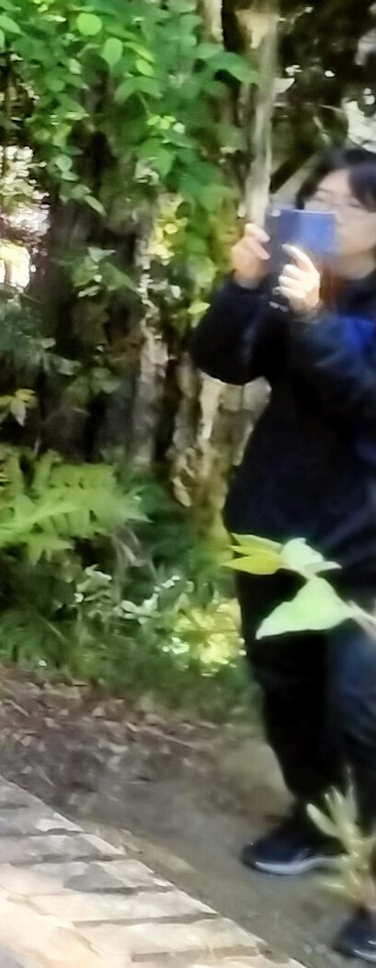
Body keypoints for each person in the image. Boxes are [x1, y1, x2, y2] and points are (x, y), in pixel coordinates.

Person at [195, 146, 376, 958]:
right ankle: (315, 817)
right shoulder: (298, 279)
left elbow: (365, 398)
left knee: (364, 707)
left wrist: (311, 320)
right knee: (287, 683)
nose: (323, 218)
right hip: (276, 524)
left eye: (342, 207)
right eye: (317, 201)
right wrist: (243, 288)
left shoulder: (327, 302)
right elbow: (224, 362)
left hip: (366, 547)